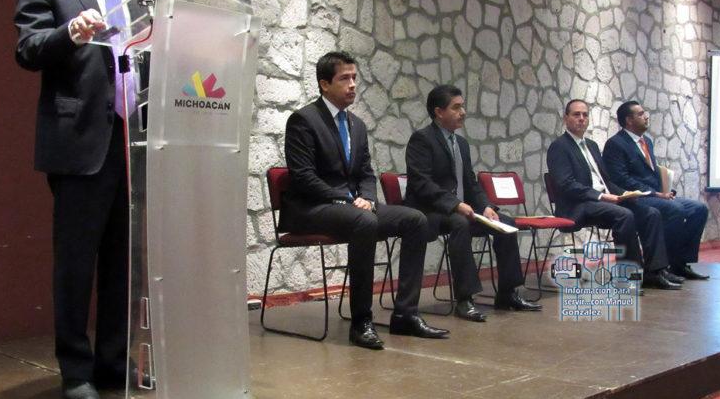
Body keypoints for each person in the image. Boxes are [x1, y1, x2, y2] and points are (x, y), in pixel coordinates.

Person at [14, 0, 143, 399]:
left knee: (122, 262)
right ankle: (75, 369)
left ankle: (114, 363)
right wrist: (70, 31)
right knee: (76, 264)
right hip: (80, 139)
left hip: (131, 139)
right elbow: (28, 49)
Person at [282, 51, 449, 350]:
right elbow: (303, 176)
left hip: (353, 208)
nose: (352, 85)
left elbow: (366, 174)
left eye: (354, 78)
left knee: (415, 220)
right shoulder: (303, 120)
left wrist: (368, 198)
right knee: (364, 221)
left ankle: (406, 314)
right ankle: (361, 322)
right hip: (311, 208)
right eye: (344, 78)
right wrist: (347, 199)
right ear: (324, 84)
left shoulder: (356, 124)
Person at [405, 85, 542, 320]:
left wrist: (486, 206)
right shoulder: (422, 139)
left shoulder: (461, 143)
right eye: (456, 107)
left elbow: (470, 183)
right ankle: (465, 299)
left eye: (463, 106)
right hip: (431, 211)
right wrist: (455, 204)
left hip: (461, 209)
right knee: (460, 224)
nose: (463, 112)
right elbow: (422, 183)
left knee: (507, 224)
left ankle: (508, 293)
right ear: (439, 112)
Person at [546, 100, 681, 290]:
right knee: (624, 215)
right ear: (565, 118)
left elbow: (607, 182)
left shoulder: (592, 145)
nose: (582, 118)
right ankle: (629, 277)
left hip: (606, 201)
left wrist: (626, 194)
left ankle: (654, 272)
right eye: (576, 114)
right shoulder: (559, 147)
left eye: (585, 115)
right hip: (578, 205)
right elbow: (566, 185)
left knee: (650, 213)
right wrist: (601, 196)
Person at [603, 101, 709, 280]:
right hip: (636, 197)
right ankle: (664, 267)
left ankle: (680, 263)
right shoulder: (615, 144)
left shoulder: (647, 142)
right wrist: (655, 194)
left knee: (699, 209)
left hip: (656, 194)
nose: (646, 116)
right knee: (675, 209)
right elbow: (621, 179)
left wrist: (666, 189)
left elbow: (650, 175)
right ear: (628, 120)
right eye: (640, 114)